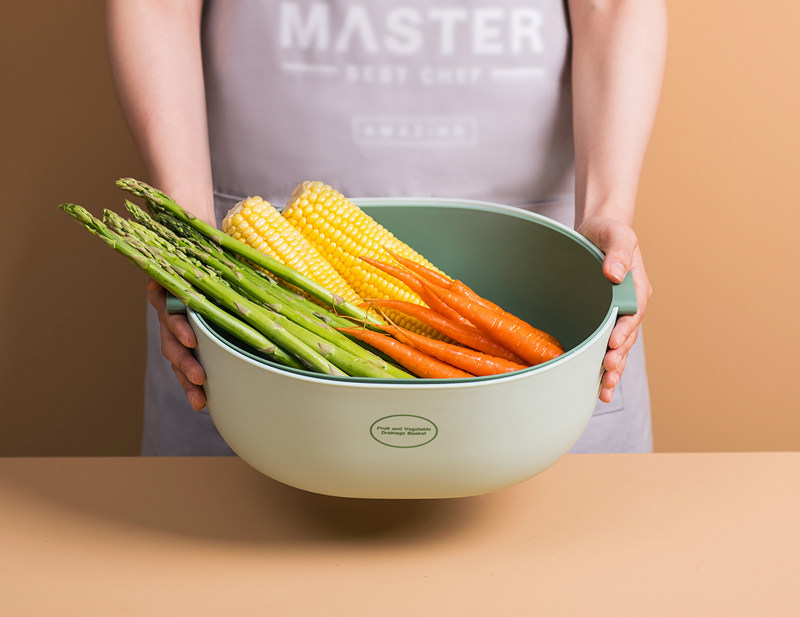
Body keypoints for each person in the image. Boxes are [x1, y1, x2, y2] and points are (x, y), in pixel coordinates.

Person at [106, 0, 667, 457]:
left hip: (544, 269)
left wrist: (606, 211)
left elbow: (615, 5)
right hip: (251, 272)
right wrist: (189, 233)